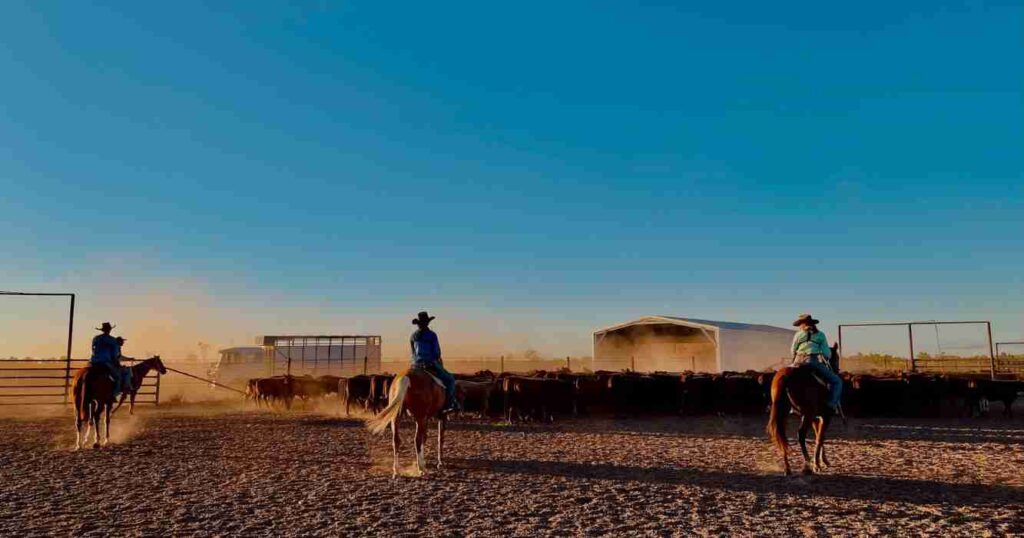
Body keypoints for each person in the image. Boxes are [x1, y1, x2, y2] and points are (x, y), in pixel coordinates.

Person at [409, 311, 459, 413]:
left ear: (418, 324)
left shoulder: (413, 336)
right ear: (427, 323)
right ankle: (448, 405)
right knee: (450, 380)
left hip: (415, 365)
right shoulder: (432, 335)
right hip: (430, 364)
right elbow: (436, 352)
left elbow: (413, 352)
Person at [791, 313, 842, 413]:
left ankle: (791, 408)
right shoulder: (820, 335)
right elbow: (827, 353)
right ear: (813, 324)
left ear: (801, 324)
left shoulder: (798, 334)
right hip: (811, 361)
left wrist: (796, 358)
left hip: (797, 362)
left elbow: (793, 350)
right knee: (837, 381)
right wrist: (825, 357)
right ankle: (831, 405)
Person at [90, 322, 123, 395]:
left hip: (93, 361)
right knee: (117, 377)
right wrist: (116, 362)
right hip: (105, 362)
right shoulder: (112, 340)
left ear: (102, 330)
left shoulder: (96, 338)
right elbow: (114, 355)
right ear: (109, 330)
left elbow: (92, 349)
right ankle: (114, 394)